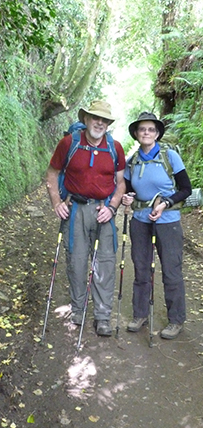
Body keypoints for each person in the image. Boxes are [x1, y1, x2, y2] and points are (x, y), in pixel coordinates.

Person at [46, 100, 126, 337]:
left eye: (104, 120)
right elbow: (52, 173)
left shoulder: (115, 148)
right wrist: (56, 203)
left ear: (108, 124)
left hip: (104, 211)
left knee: (105, 265)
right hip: (75, 211)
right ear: (86, 119)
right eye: (95, 118)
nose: (99, 123)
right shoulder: (69, 143)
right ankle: (78, 310)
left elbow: (121, 183)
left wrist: (112, 207)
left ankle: (102, 317)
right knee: (77, 262)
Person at [121, 112, 191, 340]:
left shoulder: (170, 157)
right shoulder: (132, 160)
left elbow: (186, 188)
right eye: (142, 130)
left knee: (171, 270)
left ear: (158, 133)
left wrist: (166, 203)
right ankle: (140, 314)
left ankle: (176, 320)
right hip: (140, 221)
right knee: (141, 268)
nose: (147, 133)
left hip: (167, 221)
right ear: (136, 134)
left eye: (151, 129)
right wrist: (128, 198)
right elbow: (129, 188)